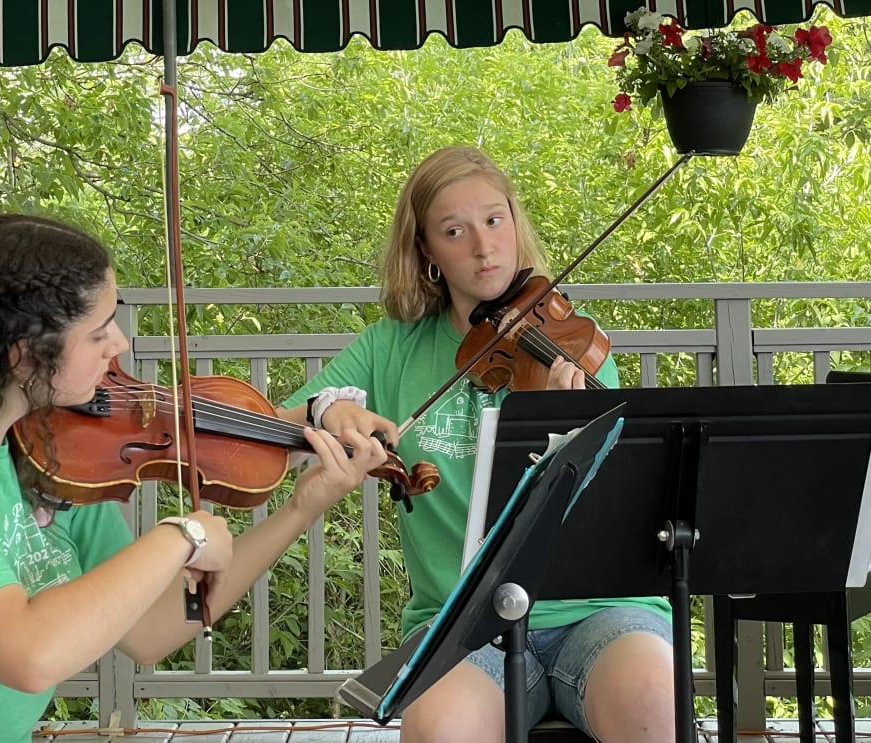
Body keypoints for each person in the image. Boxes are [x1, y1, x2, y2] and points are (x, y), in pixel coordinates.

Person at [0, 214, 387, 743]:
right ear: (26, 355)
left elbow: (151, 630)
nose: (120, 344)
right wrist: (181, 535)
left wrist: (300, 510)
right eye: (99, 331)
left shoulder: (49, 452)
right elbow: (27, 653)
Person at [277, 146, 675, 743]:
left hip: (598, 613)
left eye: (494, 220)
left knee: (655, 700)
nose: (484, 247)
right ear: (427, 253)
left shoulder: (575, 345)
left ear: (515, 223)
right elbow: (281, 433)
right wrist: (326, 406)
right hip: (462, 625)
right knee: (440, 728)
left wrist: (572, 420)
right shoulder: (391, 348)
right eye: (454, 231)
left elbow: (620, 504)